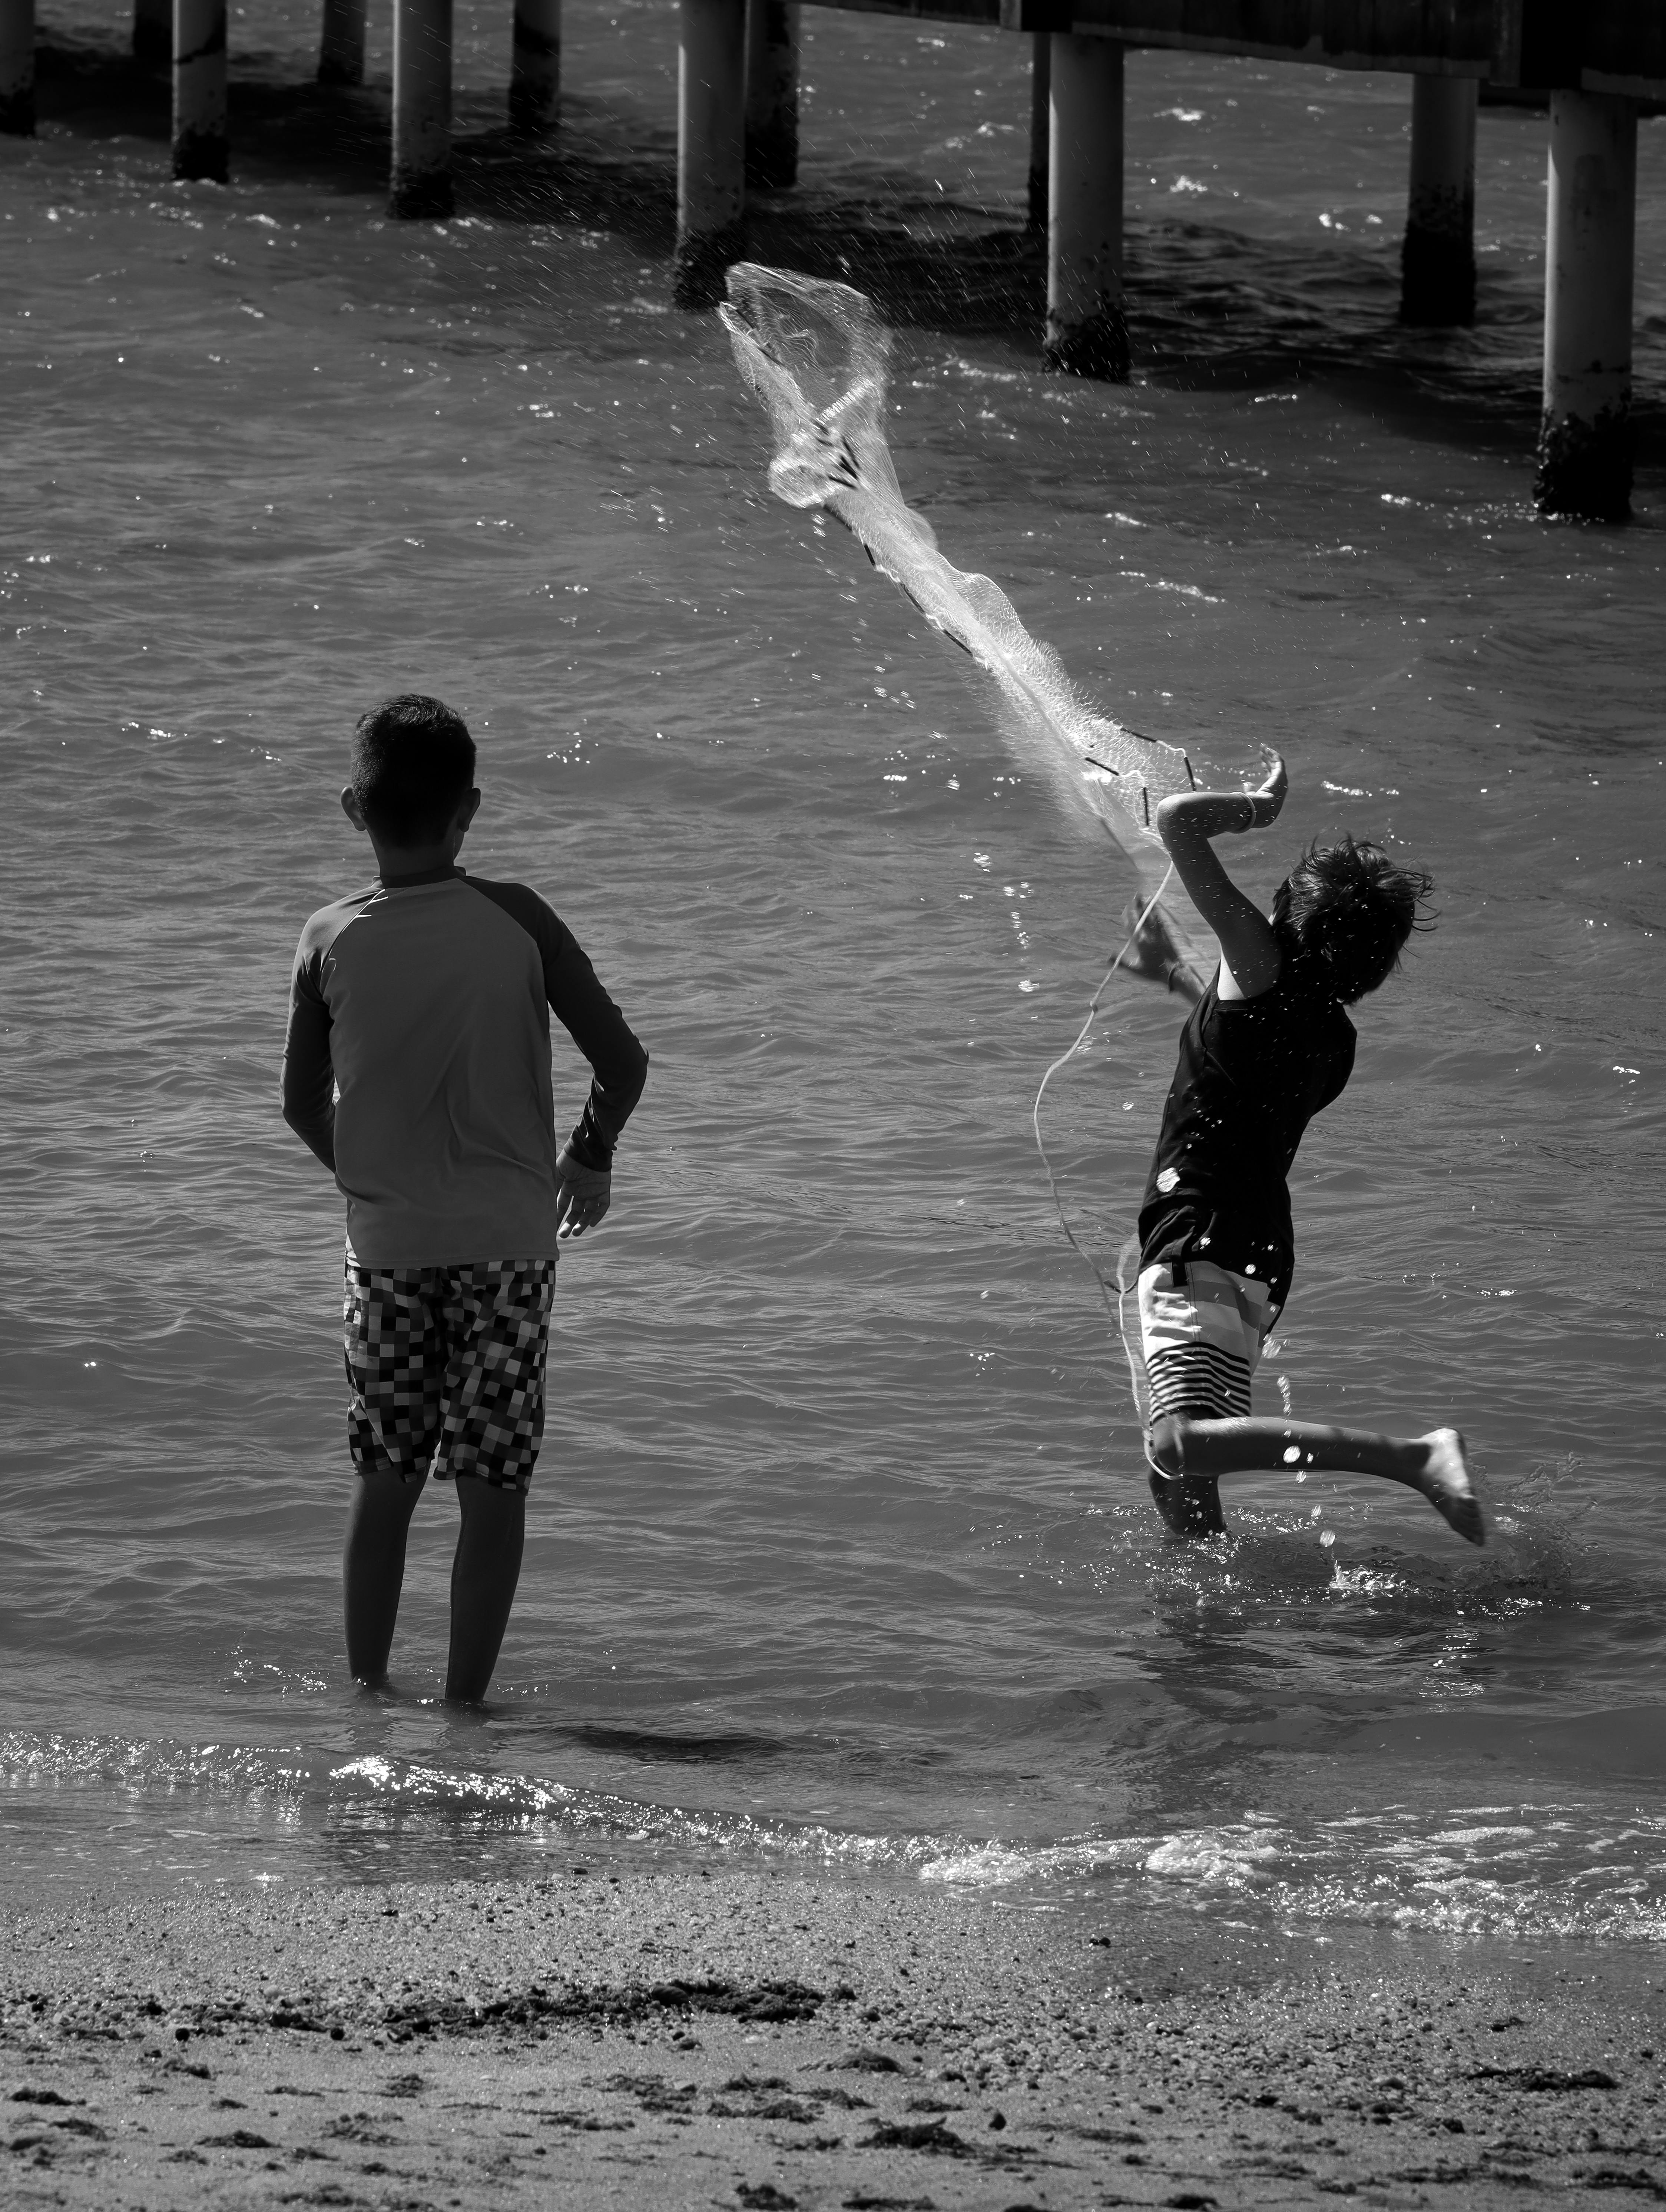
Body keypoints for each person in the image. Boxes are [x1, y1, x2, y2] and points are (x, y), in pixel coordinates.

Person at [280, 695, 649, 1699]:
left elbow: (297, 1105)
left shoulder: (327, 938)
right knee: (491, 1491)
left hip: (388, 1250)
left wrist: (374, 1186)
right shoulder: (519, 918)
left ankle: (365, 1703)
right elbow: (622, 1062)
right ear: (471, 809)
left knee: (386, 1480)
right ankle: (464, 1717)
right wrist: (589, 1156)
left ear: (354, 809)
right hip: (508, 1250)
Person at [1120, 757, 1483, 1546]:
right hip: (1256, 1246)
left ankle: (1415, 1459)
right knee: (1183, 1456)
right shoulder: (1335, 1040)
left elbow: (1175, 818)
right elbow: (1249, 1056)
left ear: (1288, 916)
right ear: (1377, 967)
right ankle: (1208, 1600)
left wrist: (1260, 805)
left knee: (1175, 1443)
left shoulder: (1260, 962)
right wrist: (1180, 977)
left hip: (1201, 1232)